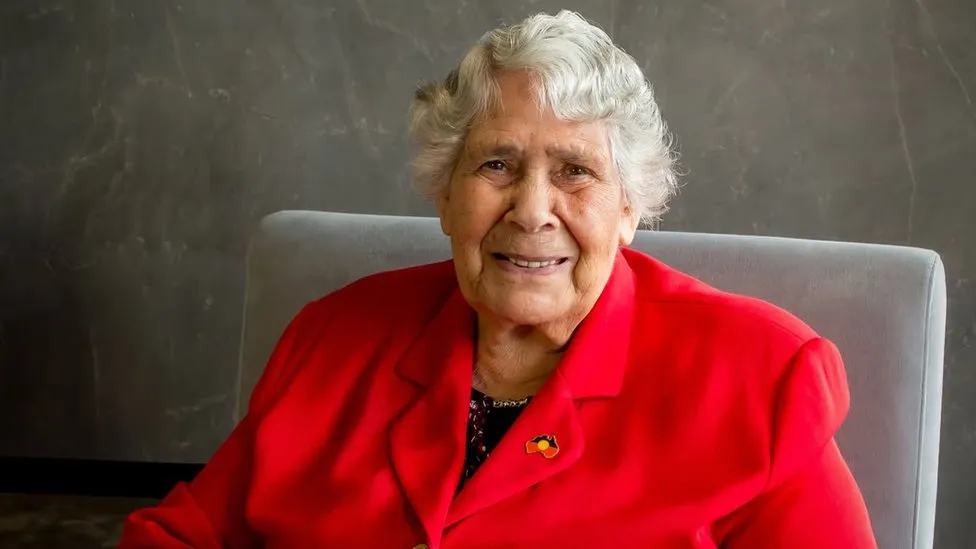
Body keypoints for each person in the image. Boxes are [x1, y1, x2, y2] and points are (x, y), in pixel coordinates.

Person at [120, 10, 877, 548]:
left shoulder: (761, 380)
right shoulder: (333, 336)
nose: (532, 210)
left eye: (574, 171)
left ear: (629, 208)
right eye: (496, 165)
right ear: (445, 195)